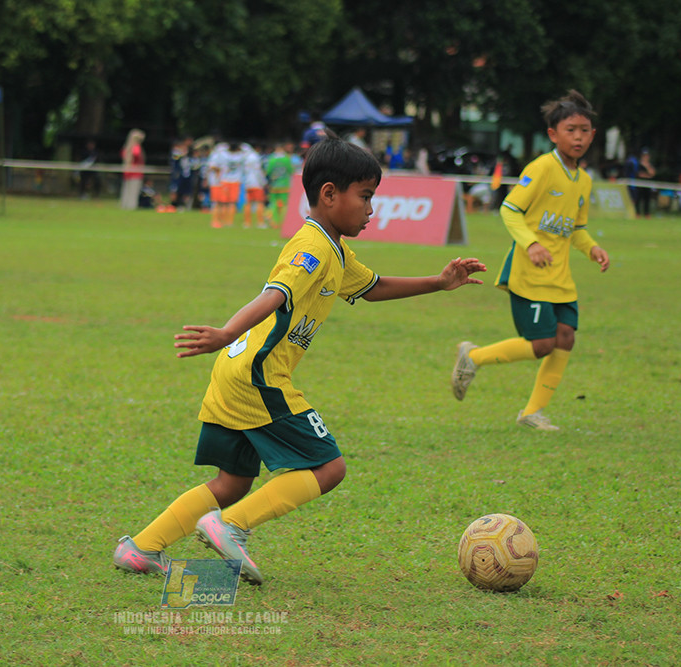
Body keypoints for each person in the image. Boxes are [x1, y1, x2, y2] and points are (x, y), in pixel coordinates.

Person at [112, 135, 486, 583]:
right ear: (329, 194)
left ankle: (141, 547)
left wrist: (439, 283)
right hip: (259, 376)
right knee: (329, 467)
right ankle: (231, 525)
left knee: (232, 482)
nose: (371, 210)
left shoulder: (334, 249)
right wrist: (228, 330)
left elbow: (373, 288)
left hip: (235, 371)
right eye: (365, 196)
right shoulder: (312, 248)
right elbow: (274, 294)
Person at [451, 90, 610, 431]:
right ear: (553, 134)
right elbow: (510, 209)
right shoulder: (541, 168)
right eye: (571, 130)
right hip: (529, 273)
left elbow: (576, 229)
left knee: (565, 339)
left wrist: (592, 248)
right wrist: (532, 243)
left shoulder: (584, 180)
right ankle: (473, 357)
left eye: (584, 130)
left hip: (560, 278)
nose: (578, 137)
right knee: (541, 345)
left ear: (593, 135)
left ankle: (532, 413)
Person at [265, 142, 294, 229]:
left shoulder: (271, 159)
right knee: (284, 204)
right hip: (284, 185)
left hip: (274, 185)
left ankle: (273, 220)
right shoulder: (286, 159)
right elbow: (291, 171)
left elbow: (268, 171)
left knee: (274, 203)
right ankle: (282, 221)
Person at [119, 129, 146, 210]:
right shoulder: (136, 147)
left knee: (126, 190)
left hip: (127, 172)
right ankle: (131, 206)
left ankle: (125, 204)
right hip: (136, 172)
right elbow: (137, 155)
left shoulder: (127, 148)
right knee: (133, 191)